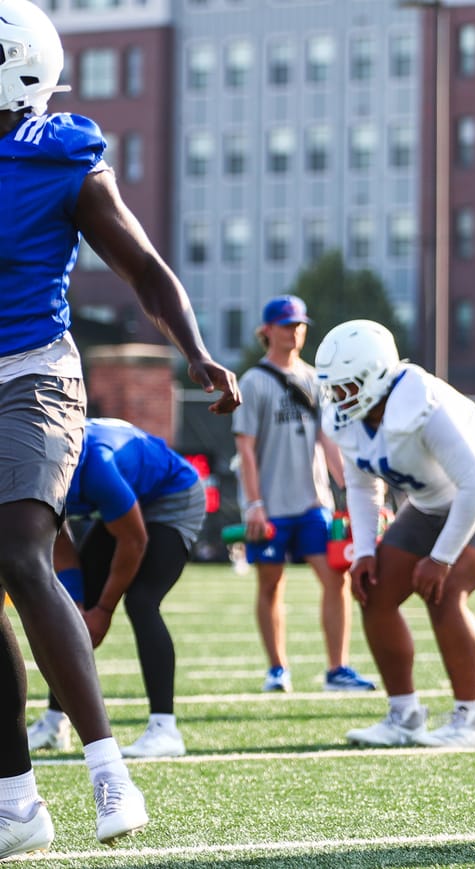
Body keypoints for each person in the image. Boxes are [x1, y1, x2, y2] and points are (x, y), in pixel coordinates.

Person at [0, 1, 240, 858]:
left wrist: (200, 354)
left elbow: (142, 266)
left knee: (21, 550)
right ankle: (18, 799)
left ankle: (108, 767)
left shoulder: (59, 156)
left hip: (32, 375)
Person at [315, 320, 475, 750]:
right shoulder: (350, 418)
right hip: (433, 499)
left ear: (378, 374)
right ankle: (404, 715)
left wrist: (439, 559)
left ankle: (473, 719)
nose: (338, 399)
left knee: (445, 589)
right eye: (334, 389)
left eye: (347, 387)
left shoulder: (423, 404)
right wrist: (364, 552)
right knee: (374, 590)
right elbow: (361, 484)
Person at [26, 419, 209, 760]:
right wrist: (80, 603)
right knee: (67, 609)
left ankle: (164, 729)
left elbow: (134, 539)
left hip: (171, 495)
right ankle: (55, 722)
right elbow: (58, 535)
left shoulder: (95, 463)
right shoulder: (34, 462)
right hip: (128, 498)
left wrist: (104, 612)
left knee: (141, 600)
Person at [233, 294, 374, 694]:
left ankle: (337, 668)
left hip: (314, 502)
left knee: (336, 580)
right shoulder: (254, 381)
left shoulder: (316, 379)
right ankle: (277, 668)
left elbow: (328, 439)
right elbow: (246, 449)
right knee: (270, 585)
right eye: (286, 325)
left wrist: (350, 488)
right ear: (267, 331)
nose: (294, 332)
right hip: (271, 507)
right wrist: (255, 505)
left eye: (299, 325)